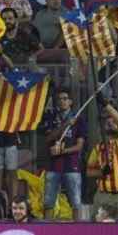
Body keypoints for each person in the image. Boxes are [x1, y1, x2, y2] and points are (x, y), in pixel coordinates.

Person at [43, 90, 86, 221]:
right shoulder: (52, 117)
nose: (62, 101)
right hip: (53, 166)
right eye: (60, 99)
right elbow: (48, 138)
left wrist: (62, 151)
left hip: (72, 165)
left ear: (70, 102)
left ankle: (77, 230)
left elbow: (79, 146)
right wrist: (66, 125)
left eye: (65, 98)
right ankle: (47, 229)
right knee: (49, 201)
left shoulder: (78, 119)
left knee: (76, 201)